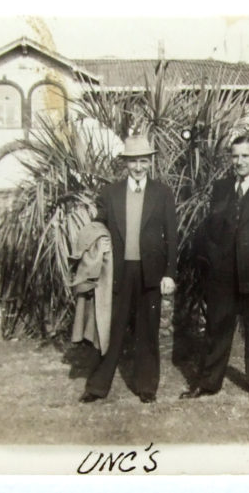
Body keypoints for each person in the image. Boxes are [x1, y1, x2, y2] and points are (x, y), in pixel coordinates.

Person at [181, 134, 249, 400]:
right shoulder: (222, 187)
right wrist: (211, 260)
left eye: (245, 156)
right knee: (217, 327)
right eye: (235, 156)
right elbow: (212, 228)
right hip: (223, 274)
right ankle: (208, 383)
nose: (239, 162)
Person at [79, 134, 178, 404]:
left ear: (150, 162)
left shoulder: (163, 193)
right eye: (133, 161)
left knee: (148, 332)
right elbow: (99, 226)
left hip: (151, 273)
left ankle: (147, 388)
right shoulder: (111, 193)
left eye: (143, 161)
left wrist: (170, 273)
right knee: (110, 330)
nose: (138, 167)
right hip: (118, 273)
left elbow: (172, 235)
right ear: (126, 163)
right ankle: (97, 387)